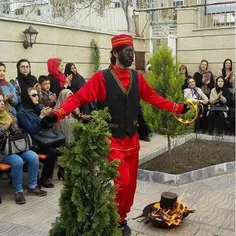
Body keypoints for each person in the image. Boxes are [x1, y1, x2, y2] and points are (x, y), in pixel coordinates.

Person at [42, 34, 189, 236]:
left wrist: (178, 108)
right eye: (127, 52)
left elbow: (153, 98)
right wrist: (58, 113)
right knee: (123, 182)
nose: (130, 55)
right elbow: (78, 97)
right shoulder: (102, 78)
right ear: (115, 53)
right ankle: (114, 218)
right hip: (111, 139)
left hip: (132, 139)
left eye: (132, 51)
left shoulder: (137, 77)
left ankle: (121, 218)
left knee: (131, 185)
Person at [0, 90, 47, 204]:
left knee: (33, 156)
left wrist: (14, 127)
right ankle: (18, 191)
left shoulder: (8, 114)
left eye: (2, 100)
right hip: (3, 152)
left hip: (15, 147)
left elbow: (16, 132)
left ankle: (32, 186)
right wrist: (6, 126)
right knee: (17, 161)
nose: (2, 103)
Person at [17, 88, 60, 187]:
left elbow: (49, 126)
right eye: (34, 95)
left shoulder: (40, 106)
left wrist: (49, 117)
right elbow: (31, 129)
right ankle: (34, 183)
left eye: (37, 94)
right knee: (37, 153)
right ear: (27, 97)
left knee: (55, 151)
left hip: (42, 138)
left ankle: (45, 178)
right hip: (31, 142)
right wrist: (41, 116)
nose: (37, 97)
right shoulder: (22, 112)